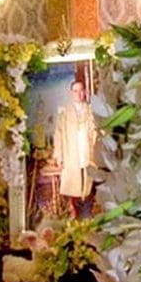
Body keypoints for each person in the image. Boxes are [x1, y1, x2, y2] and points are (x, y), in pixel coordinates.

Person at [53, 80, 97, 218]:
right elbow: (58, 135)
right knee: (74, 186)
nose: (78, 94)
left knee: (89, 184)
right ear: (72, 93)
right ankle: (76, 216)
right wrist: (59, 156)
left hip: (88, 151)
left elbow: (97, 131)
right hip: (72, 153)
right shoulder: (65, 113)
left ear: (85, 92)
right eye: (75, 91)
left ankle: (89, 217)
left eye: (81, 90)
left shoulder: (91, 111)